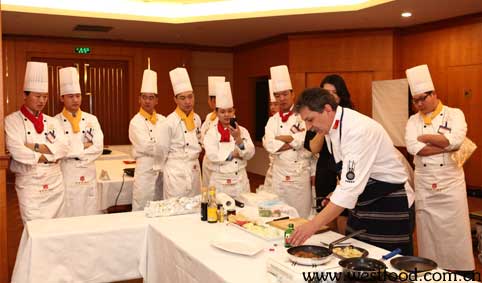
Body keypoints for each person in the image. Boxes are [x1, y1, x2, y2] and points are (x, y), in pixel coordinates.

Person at [290, 88, 412, 255]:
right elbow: (349, 173)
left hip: (387, 203)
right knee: (355, 256)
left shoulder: (357, 130)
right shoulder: (331, 127)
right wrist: (335, 193)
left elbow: (349, 189)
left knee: (386, 264)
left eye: (310, 120)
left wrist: (312, 225)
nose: (309, 127)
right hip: (362, 201)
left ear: (327, 109)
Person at [405, 64, 474, 273]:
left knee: (455, 231)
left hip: (450, 183)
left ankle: (462, 272)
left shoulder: (455, 114)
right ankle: (431, 271)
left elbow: (456, 141)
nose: (418, 104)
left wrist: (425, 138)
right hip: (425, 183)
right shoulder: (412, 121)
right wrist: (444, 145)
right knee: (427, 233)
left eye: (422, 99)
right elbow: (413, 148)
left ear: (433, 94)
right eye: (414, 100)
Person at [5, 61, 68, 222]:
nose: (42, 101)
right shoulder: (12, 121)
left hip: (55, 181)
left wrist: (33, 148)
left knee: (56, 227)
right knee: (34, 227)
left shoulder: (52, 121)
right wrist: (49, 152)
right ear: (25, 95)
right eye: (37, 96)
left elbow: (63, 147)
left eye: (45, 97)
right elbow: (17, 151)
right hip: (30, 182)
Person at [304, 74, 354, 233]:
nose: (329, 97)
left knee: (343, 214)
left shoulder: (349, 115)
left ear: (341, 94)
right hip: (326, 169)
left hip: (347, 169)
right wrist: (324, 124)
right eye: (325, 93)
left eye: (333, 92)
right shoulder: (315, 116)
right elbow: (313, 148)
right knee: (325, 212)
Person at [262, 65, 314, 218]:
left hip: (299, 176)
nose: (282, 99)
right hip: (279, 174)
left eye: (285, 94)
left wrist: (286, 140)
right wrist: (292, 141)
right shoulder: (272, 121)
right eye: (278, 96)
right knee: (278, 215)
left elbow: (306, 140)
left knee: (301, 217)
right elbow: (270, 146)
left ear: (293, 94)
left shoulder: (303, 116)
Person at [56, 67, 104, 217]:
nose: (75, 100)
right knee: (69, 213)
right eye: (70, 96)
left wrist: (72, 150)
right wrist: (83, 146)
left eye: (78, 96)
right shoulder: (54, 122)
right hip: (67, 172)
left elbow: (98, 147)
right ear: (62, 98)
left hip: (88, 171)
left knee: (90, 212)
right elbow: (59, 150)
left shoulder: (91, 119)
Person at [204, 81, 255, 197]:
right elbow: (213, 156)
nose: (226, 115)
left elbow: (250, 153)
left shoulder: (242, 130)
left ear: (234, 112)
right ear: (216, 113)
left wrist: (238, 139)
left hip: (240, 180)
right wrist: (233, 154)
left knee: (243, 212)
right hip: (219, 181)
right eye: (222, 112)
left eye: (229, 111)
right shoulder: (211, 133)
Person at [158, 67, 202, 199]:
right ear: (175, 100)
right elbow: (161, 149)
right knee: (175, 208)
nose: (187, 101)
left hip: (194, 169)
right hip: (175, 171)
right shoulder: (169, 122)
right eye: (182, 98)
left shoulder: (197, 119)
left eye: (190, 97)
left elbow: (199, 140)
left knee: (195, 206)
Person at [129, 68, 166, 210]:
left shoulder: (163, 120)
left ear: (156, 100)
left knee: (161, 206)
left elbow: (169, 143)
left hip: (162, 171)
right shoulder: (135, 122)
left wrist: (161, 145)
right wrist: (163, 146)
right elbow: (145, 146)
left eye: (151, 98)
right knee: (142, 206)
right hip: (145, 170)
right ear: (139, 99)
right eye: (144, 97)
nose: (147, 101)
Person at [200, 76, 225, 188]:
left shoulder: (228, 117)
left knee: (217, 193)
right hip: (207, 161)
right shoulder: (209, 116)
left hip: (219, 160)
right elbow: (201, 136)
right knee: (206, 190)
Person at [262, 79, 279, 191]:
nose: (272, 107)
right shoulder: (271, 121)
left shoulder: (297, 119)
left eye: (275, 104)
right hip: (272, 169)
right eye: (271, 104)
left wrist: (277, 140)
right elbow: (268, 145)